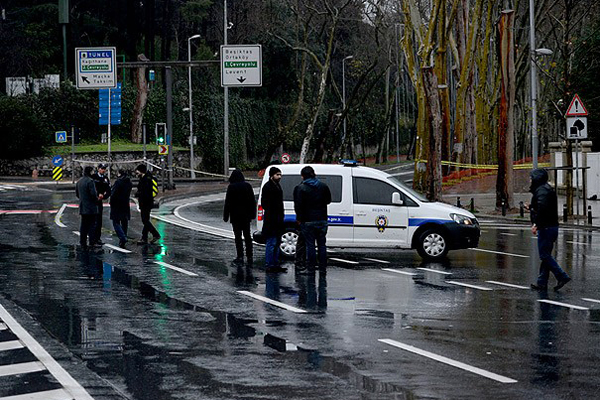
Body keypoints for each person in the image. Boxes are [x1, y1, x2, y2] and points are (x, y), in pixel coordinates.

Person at [529, 168, 571, 291]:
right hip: (551, 226)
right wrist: (531, 207)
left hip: (546, 227)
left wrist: (536, 223)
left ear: (537, 178)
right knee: (545, 255)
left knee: (545, 256)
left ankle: (562, 276)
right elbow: (542, 206)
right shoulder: (545, 189)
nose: (530, 180)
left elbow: (542, 208)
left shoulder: (542, 190)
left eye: (532, 178)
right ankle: (542, 282)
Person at [294, 166, 331, 274]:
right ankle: (322, 267)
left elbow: (298, 206)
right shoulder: (323, 186)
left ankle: (311, 267)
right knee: (322, 244)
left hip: (307, 220)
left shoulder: (300, 188)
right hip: (322, 219)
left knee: (310, 245)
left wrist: (299, 219)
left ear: (303, 176)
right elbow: (328, 200)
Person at [223, 169, 256, 264]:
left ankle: (240, 256)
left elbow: (228, 203)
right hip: (246, 216)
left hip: (235, 216)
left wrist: (226, 216)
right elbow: (252, 201)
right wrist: (252, 214)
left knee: (238, 237)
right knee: (247, 236)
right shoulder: (248, 186)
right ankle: (249, 256)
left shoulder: (231, 187)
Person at [261, 167, 285, 273]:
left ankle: (275, 263)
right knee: (271, 242)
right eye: (277, 175)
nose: (279, 177)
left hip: (278, 219)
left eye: (280, 175)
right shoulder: (268, 187)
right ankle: (269, 264)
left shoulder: (277, 186)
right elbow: (265, 203)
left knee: (277, 243)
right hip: (271, 219)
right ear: (272, 175)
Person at [134, 164, 161, 244]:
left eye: (137, 171)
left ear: (141, 171)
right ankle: (144, 238)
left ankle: (155, 234)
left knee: (145, 220)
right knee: (146, 220)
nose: (136, 172)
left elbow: (145, 192)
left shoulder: (146, 179)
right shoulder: (144, 178)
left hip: (146, 203)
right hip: (146, 202)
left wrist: (138, 194)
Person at [75, 166, 100, 250]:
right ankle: (92, 242)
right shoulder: (90, 181)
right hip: (91, 207)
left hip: (83, 206)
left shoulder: (79, 182)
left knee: (84, 225)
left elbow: (77, 194)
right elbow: (93, 194)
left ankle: (82, 241)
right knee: (92, 225)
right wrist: (97, 200)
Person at [110, 169, 133, 248]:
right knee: (124, 222)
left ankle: (122, 237)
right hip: (125, 203)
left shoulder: (118, 182)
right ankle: (123, 237)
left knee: (115, 222)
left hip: (117, 204)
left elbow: (113, 194)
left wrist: (111, 202)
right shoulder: (129, 183)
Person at [91, 163, 111, 245]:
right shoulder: (94, 177)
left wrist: (104, 196)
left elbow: (109, 189)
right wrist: (97, 194)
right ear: (98, 169)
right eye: (102, 168)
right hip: (93, 201)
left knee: (99, 221)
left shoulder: (106, 179)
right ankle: (92, 238)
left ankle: (98, 238)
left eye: (104, 169)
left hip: (100, 201)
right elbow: (91, 188)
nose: (103, 170)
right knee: (93, 220)